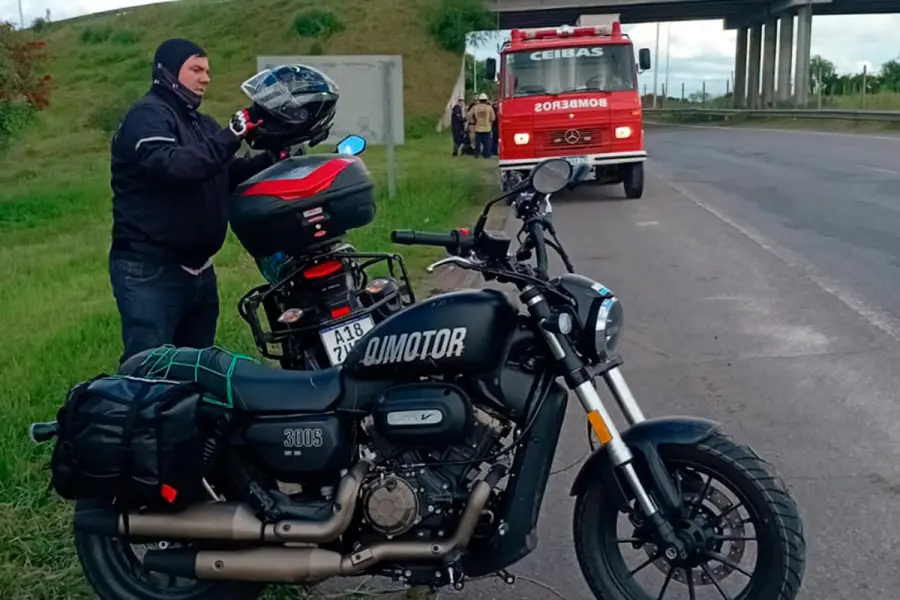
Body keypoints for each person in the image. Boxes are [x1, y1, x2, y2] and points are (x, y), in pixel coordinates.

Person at [108, 38, 284, 365]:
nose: (205, 78)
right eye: (196, 69)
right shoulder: (146, 117)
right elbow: (175, 167)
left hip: (200, 270)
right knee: (148, 369)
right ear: (167, 72)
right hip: (150, 270)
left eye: (207, 71)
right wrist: (234, 132)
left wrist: (274, 157)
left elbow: (227, 173)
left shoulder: (202, 124)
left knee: (196, 367)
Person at [467, 92, 496, 159]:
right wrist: (489, 121)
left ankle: (476, 154)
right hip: (487, 128)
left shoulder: (475, 107)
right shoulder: (489, 107)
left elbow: (468, 115)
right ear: (486, 100)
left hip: (478, 128)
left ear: (479, 100)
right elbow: (493, 118)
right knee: (487, 143)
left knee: (477, 143)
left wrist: (473, 121)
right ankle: (486, 155)